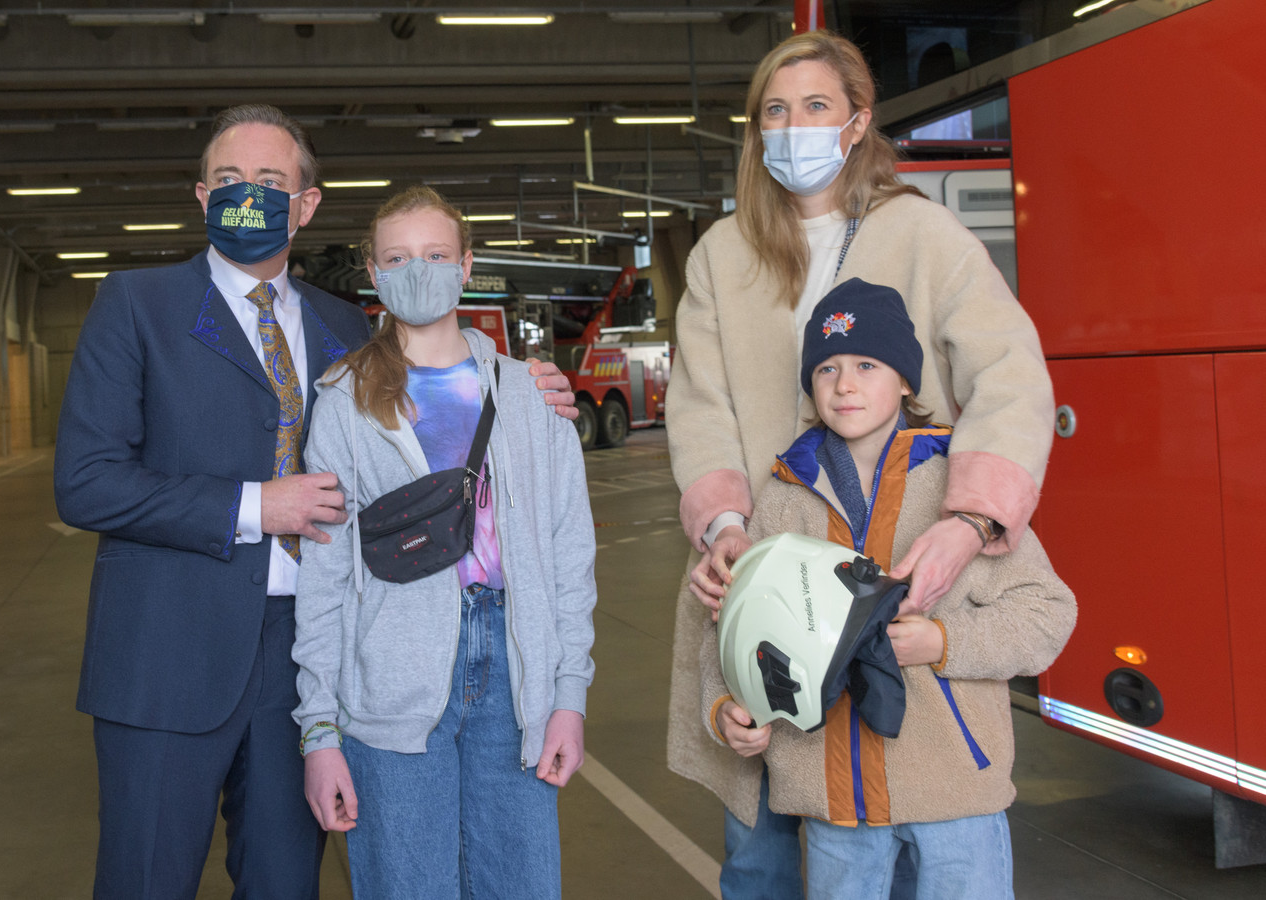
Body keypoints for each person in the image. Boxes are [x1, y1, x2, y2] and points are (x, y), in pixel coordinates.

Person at [54, 106, 575, 899]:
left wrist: (535, 384)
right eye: (228, 180)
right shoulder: (135, 305)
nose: (247, 196)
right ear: (201, 196)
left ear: (306, 205)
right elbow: (86, 481)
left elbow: (439, 382)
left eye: (271, 182)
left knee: (283, 880)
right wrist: (257, 507)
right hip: (168, 656)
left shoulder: (344, 327)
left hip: (301, 662)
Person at [664, 30, 1057, 899]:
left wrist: (971, 519)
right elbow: (700, 407)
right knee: (760, 845)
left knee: (914, 832)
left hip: (900, 572)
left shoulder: (925, 235)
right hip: (766, 580)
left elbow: (1010, 375)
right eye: (775, 110)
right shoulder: (722, 256)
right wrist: (725, 523)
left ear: (857, 123)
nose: (792, 125)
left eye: (815, 107)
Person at [700, 278, 1075, 899]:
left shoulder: (960, 493)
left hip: (953, 795)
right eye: (827, 368)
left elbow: (1048, 611)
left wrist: (944, 642)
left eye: (867, 365)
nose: (844, 384)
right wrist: (726, 711)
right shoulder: (783, 498)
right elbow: (731, 628)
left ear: (905, 379)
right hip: (833, 809)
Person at [291, 185, 597, 900]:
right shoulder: (342, 401)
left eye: (435, 255)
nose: (417, 270)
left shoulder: (529, 395)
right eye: (397, 257)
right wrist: (320, 731)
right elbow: (325, 577)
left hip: (516, 682)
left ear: (466, 267)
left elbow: (568, 554)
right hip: (391, 685)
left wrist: (569, 696)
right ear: (372, 271)